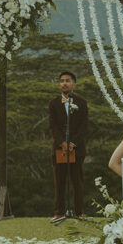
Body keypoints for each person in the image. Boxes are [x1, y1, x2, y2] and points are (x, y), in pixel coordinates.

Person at [48, 71, 88, 220]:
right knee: (60, 181)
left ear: (74, 84)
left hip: (77, 149)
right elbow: (52, 126)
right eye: (62, 81)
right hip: (59, 148)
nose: (64, 83)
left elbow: (84, 126)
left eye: (68, 81)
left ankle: (79, 212)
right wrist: (62, 143)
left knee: (77, 180)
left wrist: (73, 143)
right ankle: (59, 212)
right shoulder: (53, 103)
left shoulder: (82, 102)